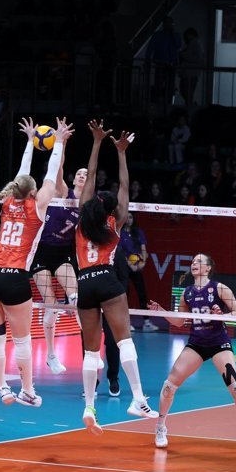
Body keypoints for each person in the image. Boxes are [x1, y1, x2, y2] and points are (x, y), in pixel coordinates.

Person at [0, 117, 71, 407]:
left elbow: (22, 173)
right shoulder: (38, 205)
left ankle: (2, 388)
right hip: (14, 277)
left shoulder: (8, 200)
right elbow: (51, 173)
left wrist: (30, 141)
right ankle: (28, 391)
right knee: (21, 340)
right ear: (33, 192)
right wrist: (58, 142)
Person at [74, 121, 157, 433]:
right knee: (124, 341)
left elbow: (91, 175)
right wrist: (121, 153)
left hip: (84, 283)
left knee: (90, 350)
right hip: (108, 280)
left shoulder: (83, 217)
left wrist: (96, 142)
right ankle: (137, 398)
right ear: (112, 210)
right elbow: (124, 186)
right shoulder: (116, 223)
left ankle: (88, 406)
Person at [147, 253, 236, 451]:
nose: (194, 264)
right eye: (193, 262)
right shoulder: (187, 293)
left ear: (208, 268)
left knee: (235, 386)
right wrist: (162, 311)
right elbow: (180, 321)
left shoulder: (219, 288)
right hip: (197, 344)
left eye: (199, 262)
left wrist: (221, 315)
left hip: (219, 343)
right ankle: (160, 427)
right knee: (168, 386)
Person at [30, 167, 86, 374]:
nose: (82, 176)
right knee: (51, 306)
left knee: (76, 299)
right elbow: (59, 172)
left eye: (86, 174)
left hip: (63, 253)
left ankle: (91, 350)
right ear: (74, 180)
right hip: (41, 251)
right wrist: (60, 150)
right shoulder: (64, 193)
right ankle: (51, 356)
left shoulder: (88, 205)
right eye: (79, 173)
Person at [118, 212, 155, 330]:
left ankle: (147, 323)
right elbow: (120, 251)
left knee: (142, 293)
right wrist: (129, 264)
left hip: (137, 266)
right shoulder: (119, 232)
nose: (129, 219)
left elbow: (143, 249)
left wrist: (143, 263)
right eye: (127, 217)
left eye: (131, 217)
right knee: (124, 294)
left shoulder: (138, 232)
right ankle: (125, 323)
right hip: (124, 266)